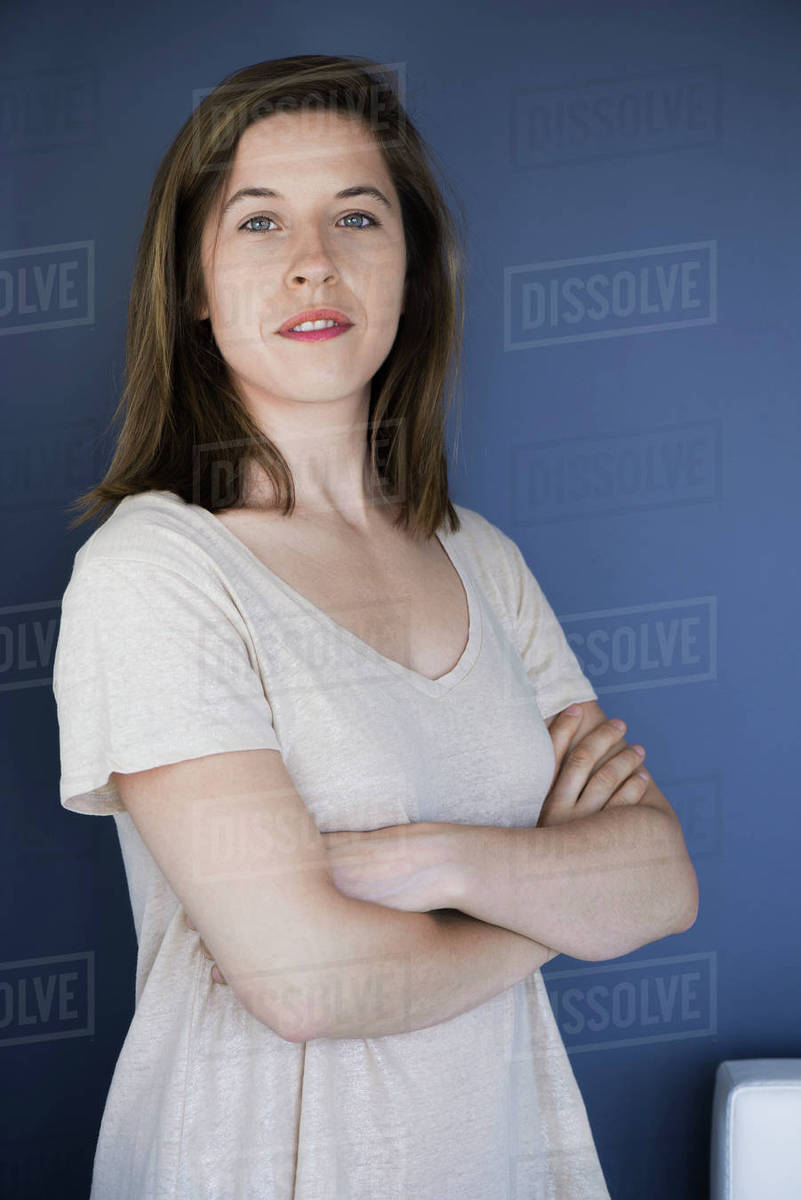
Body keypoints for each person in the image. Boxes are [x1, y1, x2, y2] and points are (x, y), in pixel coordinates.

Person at [52, 54, 697, 1200]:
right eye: (260, 223)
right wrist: (553, 904)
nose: (315, 262)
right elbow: (304, 981)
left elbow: (659, 881)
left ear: (411, 273)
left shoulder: (483, 560)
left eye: (359, 215)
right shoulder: (155, 571)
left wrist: (432, 859)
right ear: (193, 283)